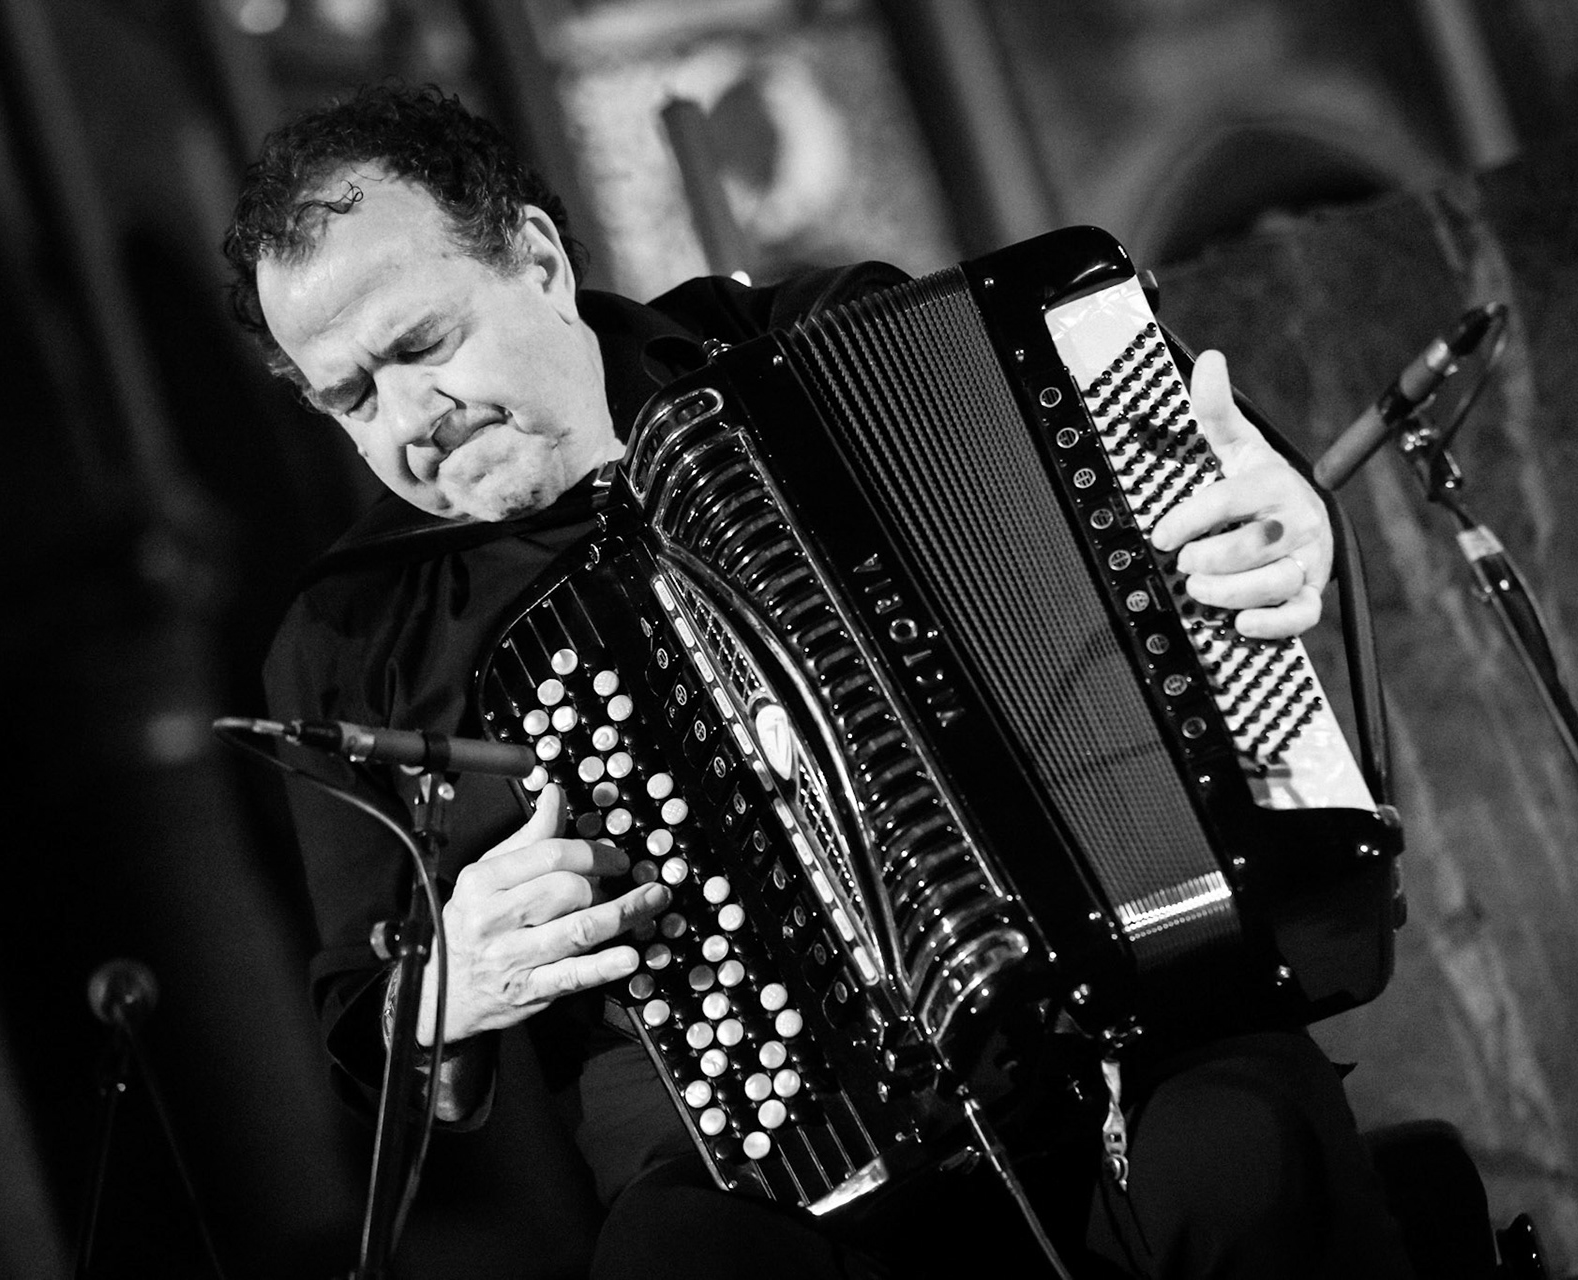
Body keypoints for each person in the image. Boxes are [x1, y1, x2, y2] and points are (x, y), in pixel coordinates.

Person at [226, 85, 1415, 1279]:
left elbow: (1174, 495)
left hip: (1111, 1005)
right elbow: (366, 1040)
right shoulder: (350, 637)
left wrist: (1273, 516)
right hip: (771, 1164)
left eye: (424, 346)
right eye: (350, 397)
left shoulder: (827, 342)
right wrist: (442, 986)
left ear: (535, 260)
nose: (405, 419)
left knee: (1242, 1159)